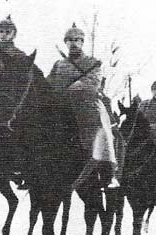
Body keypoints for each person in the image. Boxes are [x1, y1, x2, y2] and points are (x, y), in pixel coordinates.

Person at [47, 23, 119, 188]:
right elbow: (48, 83)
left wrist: (71, 88)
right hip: (61, 103)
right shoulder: (59, 64)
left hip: (85, 103)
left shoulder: (92, 62)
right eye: (70, 40)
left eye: (77, 40)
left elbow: (92, 82)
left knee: (102, 129)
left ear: (82, 42)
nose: (73, 43)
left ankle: (107, 171)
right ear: (66, 43)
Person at [0, 15, 35, 184]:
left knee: (10, 135)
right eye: (1, 31)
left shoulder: (20, 55)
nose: (4, 35)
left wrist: (15, 107)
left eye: (7, 32)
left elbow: (25, 83)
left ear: (14, 34)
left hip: (9, 104)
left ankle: (15, 168)